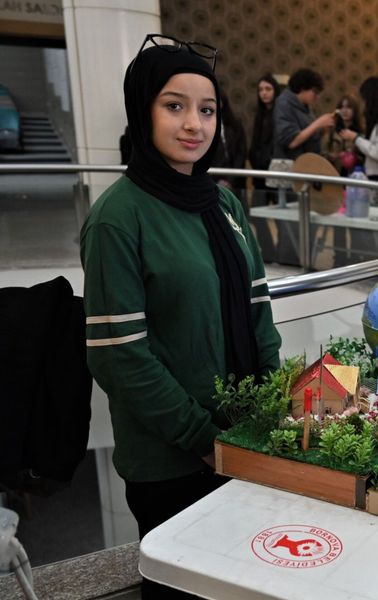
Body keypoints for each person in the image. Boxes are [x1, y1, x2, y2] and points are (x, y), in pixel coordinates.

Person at [80, 35, 281, 598]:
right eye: (174, 105)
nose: (194, 123)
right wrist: (204, 438)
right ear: (142, 110)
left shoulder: (224, 204)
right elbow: (120, 358)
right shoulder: (118, 219)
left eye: (207, 109)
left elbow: (258, 312)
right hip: (171, 465)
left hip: (242, 444)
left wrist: (270, 408)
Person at [273, 67, 334, 160]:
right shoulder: (284, 103)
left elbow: (307, 136)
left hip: (305, 164)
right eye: (315, 92)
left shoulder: (305, 107)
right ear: (303, 88)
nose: (317, 97)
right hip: (289, 166)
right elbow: (291, 141)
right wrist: (318, 123)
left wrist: (322, 130)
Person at [210, 90, 246, 197]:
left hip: (236, 180)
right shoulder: (204, 126)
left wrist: (230, 179)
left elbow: (241, 153)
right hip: (213, 180)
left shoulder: (235, 125)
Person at [248, 73, 279, 191]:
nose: (264, 93)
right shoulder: (260, 114)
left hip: (274, 168)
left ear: (275, 90)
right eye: (260, 90)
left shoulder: (279, 113)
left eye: (268, 89)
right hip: (259, 170)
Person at [323, 94, 364, 176]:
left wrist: (353, 156)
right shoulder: (332, 130)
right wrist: (334, 156)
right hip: (333, 174)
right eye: (342, 107)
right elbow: (322, 153)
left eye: (348, 107)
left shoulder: (360, 133)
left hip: (353, 176)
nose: (344, 111)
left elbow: (365, 156)